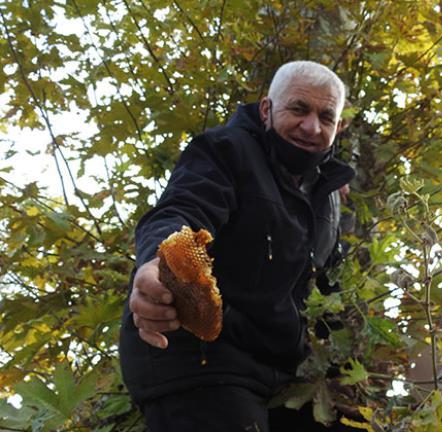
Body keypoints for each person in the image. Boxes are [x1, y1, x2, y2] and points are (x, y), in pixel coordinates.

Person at [119, 61, 357, 431]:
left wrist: (342, 369)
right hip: (201, 361)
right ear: (266, 109)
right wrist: (162, 263)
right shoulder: (225, 150)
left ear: (338, 127)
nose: (311, 127)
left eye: (326, 117)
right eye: (298, 109)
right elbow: (185, 208)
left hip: (281, 372)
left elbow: (327, 290)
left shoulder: (326, 197)